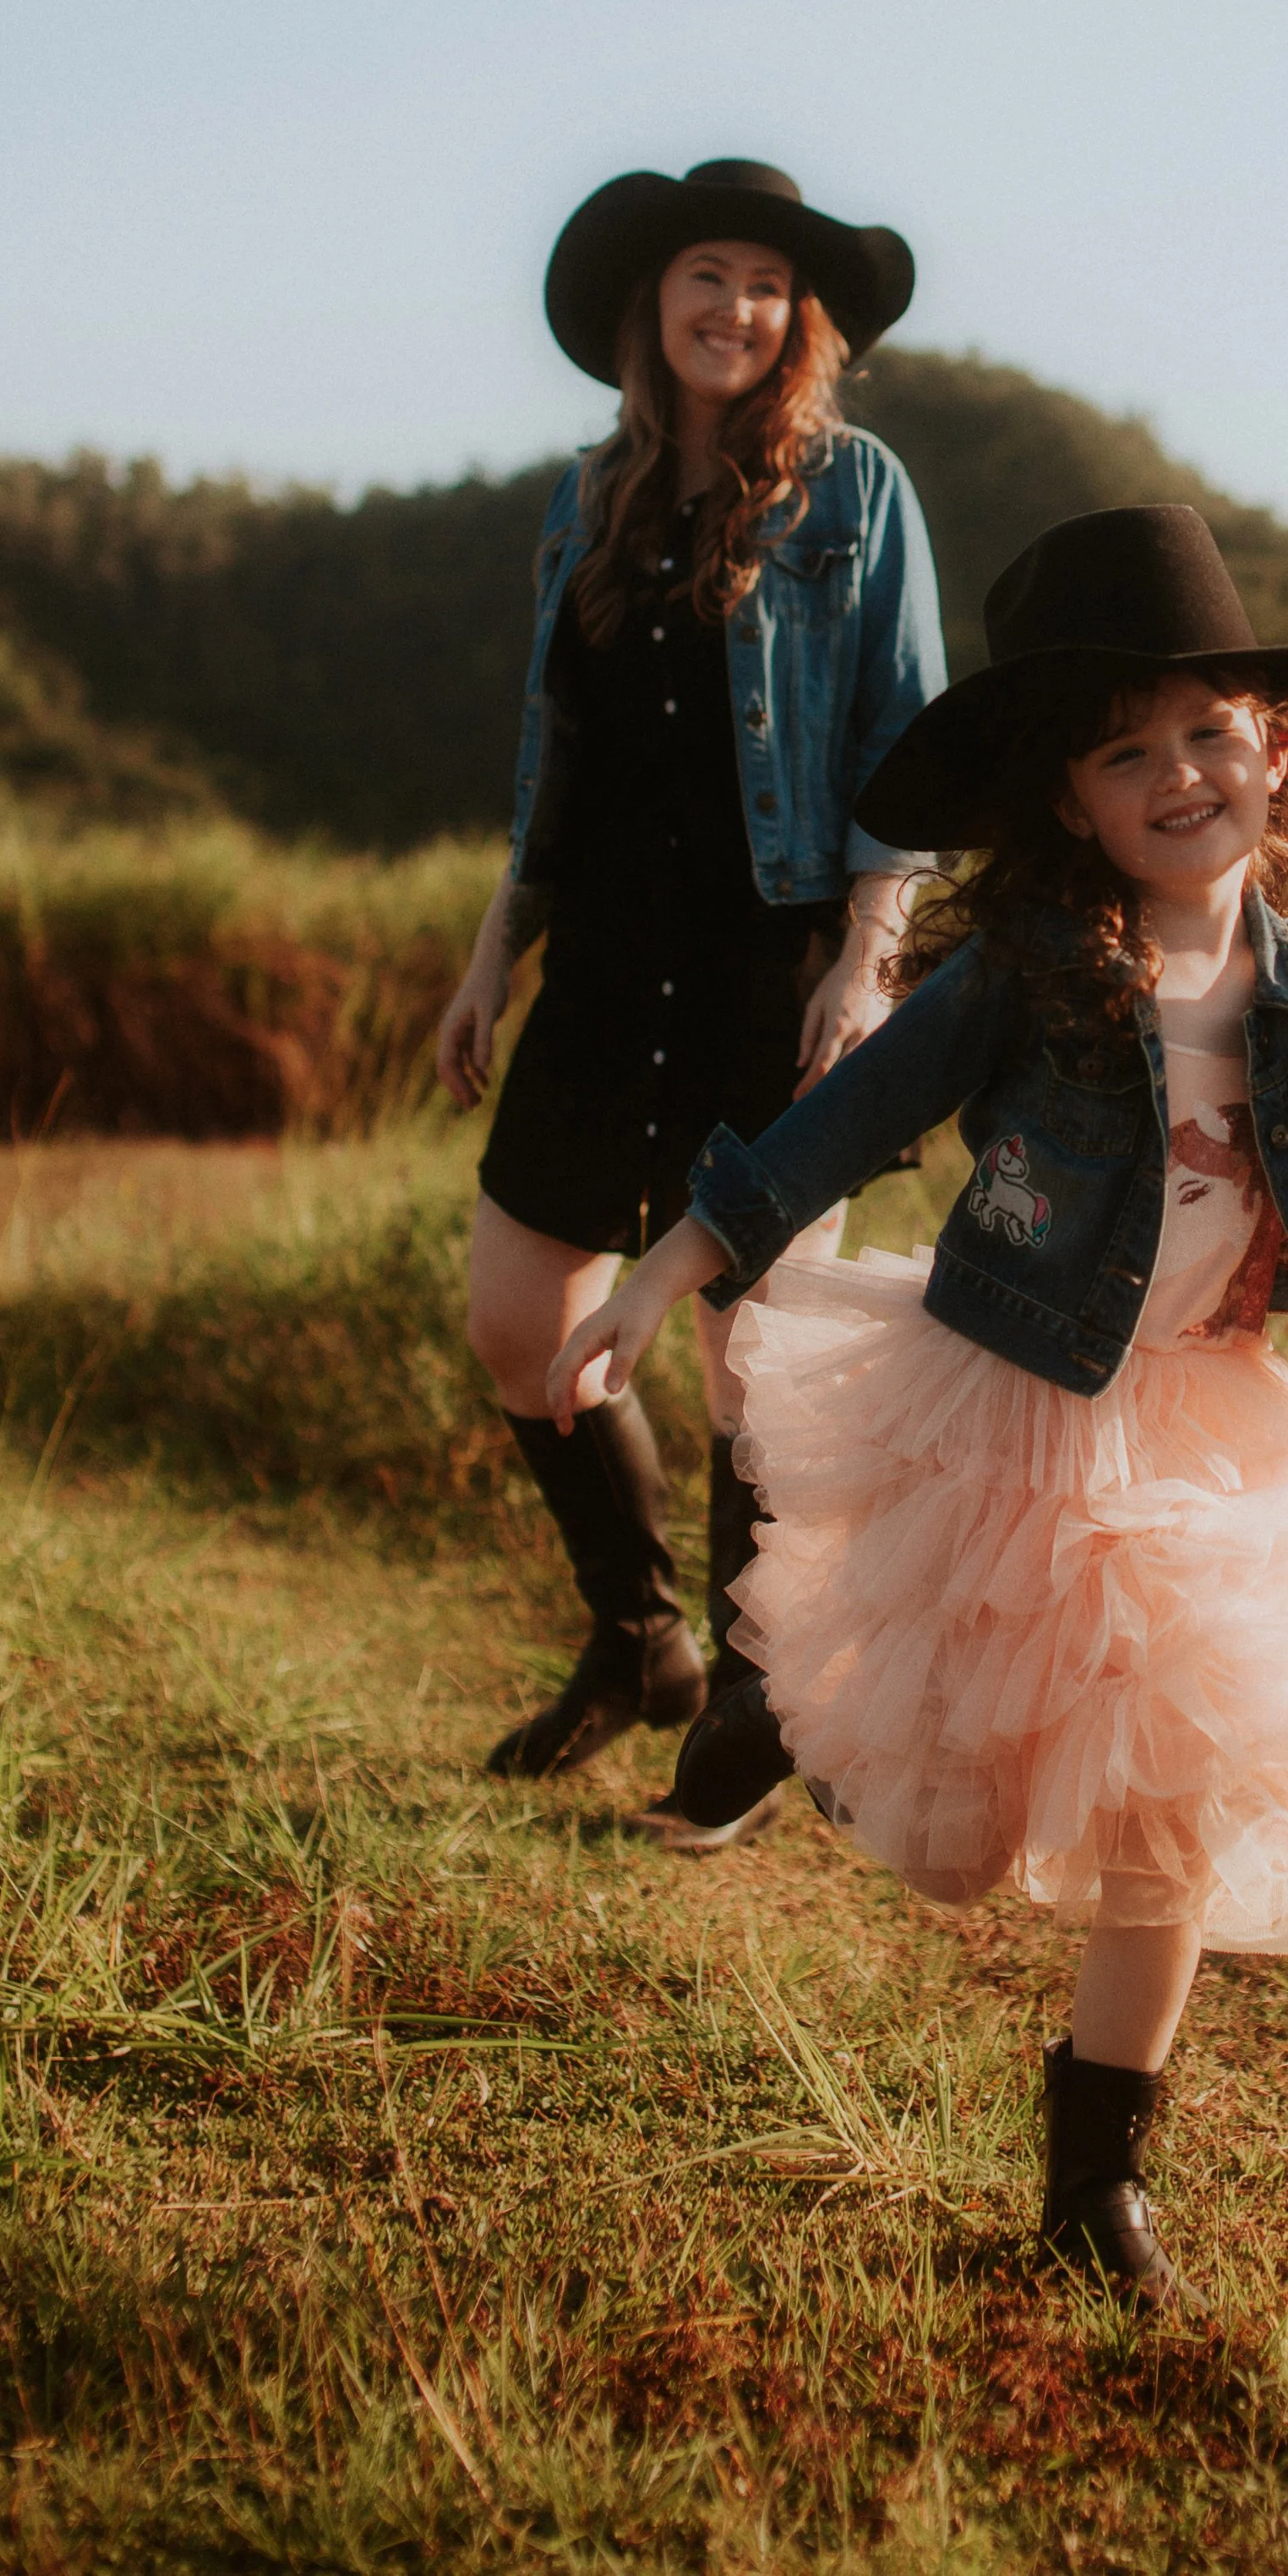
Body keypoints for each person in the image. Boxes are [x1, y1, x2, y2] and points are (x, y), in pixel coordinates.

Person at [543, 504, 1288, 2305]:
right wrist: (657, 1276)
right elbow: (840, 1123)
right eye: (1128, 753)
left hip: (1207, 1433)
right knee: (950, 1817)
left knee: (1166, 1808)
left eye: (1210, 731)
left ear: (1274, 748)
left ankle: (1092, 2186)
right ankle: (772, 1710)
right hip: (1010, 1399)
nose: (1180, 774)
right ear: (1070, 802)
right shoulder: (1029, 977)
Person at [437, 157, 945, 1830]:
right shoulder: (592, 499)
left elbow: (902, 746)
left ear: (799, 323)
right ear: (649, 310)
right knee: (521, 1326)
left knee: (750, 1357)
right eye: (704, 278)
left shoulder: (855, 492)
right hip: (601, 966)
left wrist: (866, 970)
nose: (736, 309)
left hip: (766, 968)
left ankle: (749, 1695)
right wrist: (490, 955)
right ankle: (635, 1636)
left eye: (765, 287)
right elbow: (550, 754)